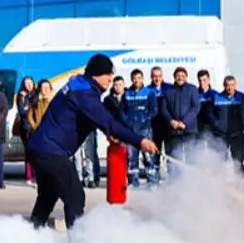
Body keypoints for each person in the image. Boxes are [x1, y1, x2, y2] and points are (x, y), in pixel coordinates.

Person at [27, 54, 159, 229]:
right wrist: (140, 141)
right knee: (75, 196)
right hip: (50, 151)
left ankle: (30, 238)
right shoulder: (84, 94)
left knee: (48, 194)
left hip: (41, 148)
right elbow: (108, 122)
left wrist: (107, 131)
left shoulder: (80, 86)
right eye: (108, 75)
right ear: (96, 74)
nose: (111, 79)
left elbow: (88, 118)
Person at [121, 69, 159, 188]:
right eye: (134, 78)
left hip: (144, 130)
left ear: (142, 79)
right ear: (131, 79)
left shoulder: (149, 93)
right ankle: (133, 182)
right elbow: (122, 110)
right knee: (131, 158)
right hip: (131, 131)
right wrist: (126, 121)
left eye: (139, 78)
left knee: (148, 157)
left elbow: (154, 110)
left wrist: (144, 118)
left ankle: (152, 182)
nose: (136, 80)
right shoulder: (126, 94)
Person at [161, 67, 201, 168]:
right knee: (174, 157)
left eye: (183, 76)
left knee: (191, 156)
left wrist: (185, 122)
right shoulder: (168, 91)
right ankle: (174, 180)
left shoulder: (192, 89)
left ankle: (191, 179)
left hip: (189, 129)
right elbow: (164, 109)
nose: (180, 78)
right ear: (174, 77)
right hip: (173, 130)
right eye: (178, 76)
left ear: (186, 77)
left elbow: (195, 107)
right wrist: (171, 121)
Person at [210, 75, 244, 168]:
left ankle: (239, 180)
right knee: (219, 159)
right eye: (227, 85)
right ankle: (220, 180)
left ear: (235, 85)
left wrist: (243, 125)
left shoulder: (241, 97)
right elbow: (210, 113)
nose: (230, 88)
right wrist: (216, 123)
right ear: (224, 85)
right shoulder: (217, 97)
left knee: (238, 160)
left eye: (232, 85)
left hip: (236, 134)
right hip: (221, 134)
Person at [14, 76, 37, 184]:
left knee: (38, 153)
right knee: (29, 152)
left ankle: (37, 175)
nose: (29, 85)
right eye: (26, 83)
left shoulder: (36, 94)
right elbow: (22, 111)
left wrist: (29, 109)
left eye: (30, 83)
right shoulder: (21, 96)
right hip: (26, 128)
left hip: (37, 127)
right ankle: (29, 176)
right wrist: (29, 109)